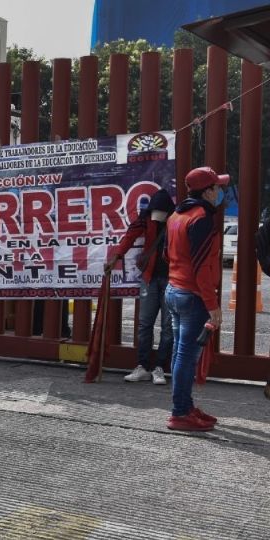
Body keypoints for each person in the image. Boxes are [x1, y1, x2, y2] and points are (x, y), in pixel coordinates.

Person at [165, 166, 226, 432]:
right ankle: (180, 413)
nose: (220, 192)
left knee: (181, 354)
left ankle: (185, 406)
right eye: (217, 187)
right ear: (208, 191)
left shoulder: (177, 215)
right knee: (186, 357)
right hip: (192, 295)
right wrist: (212, 306)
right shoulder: (201, 218)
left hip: (175, 289)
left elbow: (169, 254)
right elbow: (201, 266)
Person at [107, 189, 175, 385]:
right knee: (145, 324)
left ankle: (160, 367)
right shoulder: (145, 218)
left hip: (172, 278)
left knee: (168, 327)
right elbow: (130, 236)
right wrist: (116, 257)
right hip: (150, 277)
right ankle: (142, 366)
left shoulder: (177, 219)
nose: (157, 217)